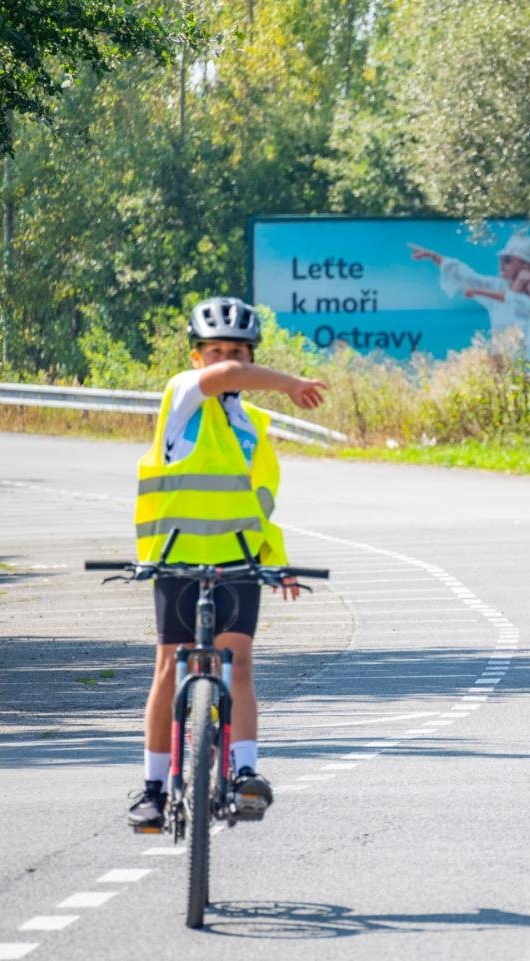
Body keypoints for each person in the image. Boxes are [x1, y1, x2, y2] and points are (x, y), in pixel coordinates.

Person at [126, 297, 330, 830]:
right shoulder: (182, 397)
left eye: (237, 351)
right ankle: (152, 788)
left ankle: (243, 774)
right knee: (169, 667)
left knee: (237, 666)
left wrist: (277, 563)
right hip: (176, 559)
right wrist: (287, 381)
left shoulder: (252, 424)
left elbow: (259, 503)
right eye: (214, 350)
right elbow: (229, 376)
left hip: (238, 563)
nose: (226, 360)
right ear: (196, 357)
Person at [409, 233, 530, 365]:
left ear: (525, 265)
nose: (501, 264)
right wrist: (434, 257)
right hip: (501, 360)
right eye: (501, 259)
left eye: (508, 260)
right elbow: (467, 277)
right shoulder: (497, 286)